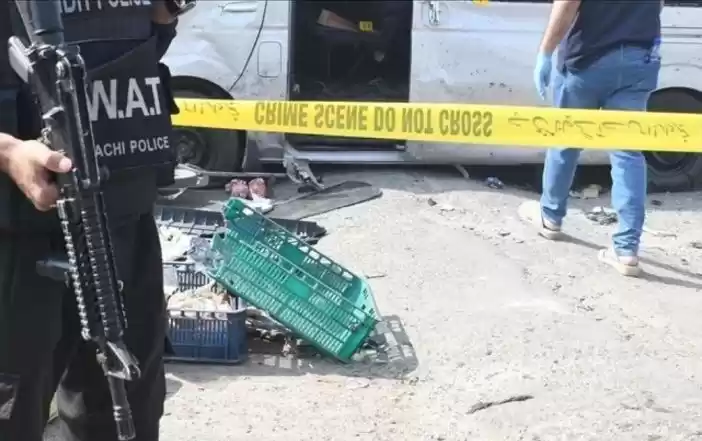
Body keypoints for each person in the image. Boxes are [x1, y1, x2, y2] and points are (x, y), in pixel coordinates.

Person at [0, 1, 183, 440]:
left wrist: (164, 17)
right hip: (22, 241)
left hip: (123, 222)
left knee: (127, 415)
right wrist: (8, 151)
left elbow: (132, 49)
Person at [520, 0, 663, 277]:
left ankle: (550, 217)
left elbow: (567, 3)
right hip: (639, 59)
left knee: (566, 140)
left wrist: (545, 52)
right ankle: (626, 250)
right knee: (627, 153)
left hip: (588, 58)